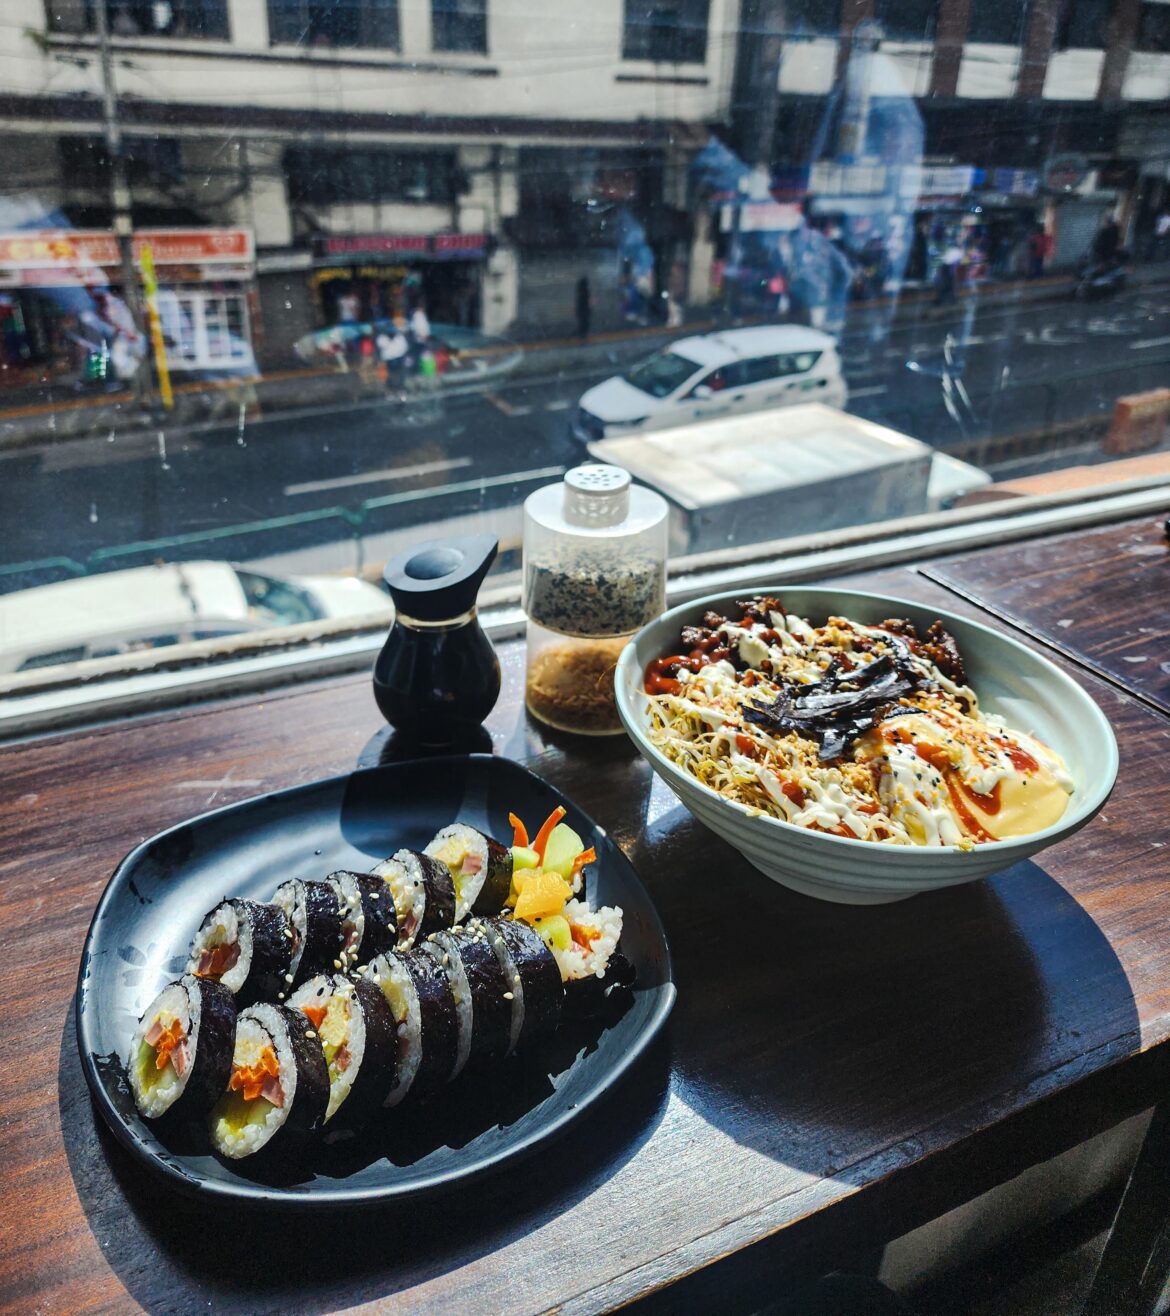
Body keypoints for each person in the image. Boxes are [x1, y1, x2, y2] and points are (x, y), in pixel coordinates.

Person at [376, 325, 408, 395]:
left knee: (400, 375)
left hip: (398, 358)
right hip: (388, 359)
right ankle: (390, 390)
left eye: (392, 333)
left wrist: (398, 353)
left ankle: (401, 389)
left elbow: (404, 348)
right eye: (389, 333)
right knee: (389, 375)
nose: (391, 334)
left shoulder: (400, 338)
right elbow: (380, 347)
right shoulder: (382, 338)